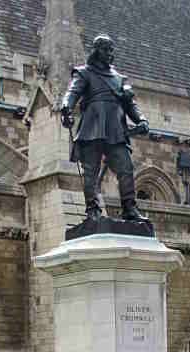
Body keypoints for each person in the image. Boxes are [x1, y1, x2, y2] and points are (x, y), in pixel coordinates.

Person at [60, 34, 149, 222]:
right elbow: (72, 92)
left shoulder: (119, 78)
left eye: (111, 50)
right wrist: (66, 106)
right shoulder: (84, 73)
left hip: (116, 128)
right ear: (96, 50)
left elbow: (130, 104)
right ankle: (92, 209)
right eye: (105, 49)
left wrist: (141, 119)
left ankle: (129, 209)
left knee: (126, 168)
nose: (109, 53)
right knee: (90, 170)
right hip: (93, 126)